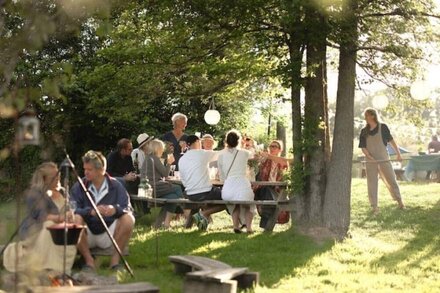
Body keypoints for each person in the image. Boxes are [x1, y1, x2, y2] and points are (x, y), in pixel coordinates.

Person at [3, 162, 77, 273]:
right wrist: (60, 218)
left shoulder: (62, 192)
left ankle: (62, 264)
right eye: (54, 177)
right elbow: (42, 216)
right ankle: (48, 266)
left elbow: (67, 210)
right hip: (36, 230)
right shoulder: (35, 194)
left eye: (59, 175)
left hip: (58, 228)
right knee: (49, 225)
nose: (58, 178)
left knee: (72, 228)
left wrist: (69, 216)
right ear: (44, 179)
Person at [71, 151, 134, 271]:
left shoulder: (116, 186)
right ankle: (89, 261)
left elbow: (128, 207)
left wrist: (114, 209)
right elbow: (72, 209)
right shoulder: (80, 186)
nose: (85, 172)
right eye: (85, 169)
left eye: (89, 169)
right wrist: (90, 212)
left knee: (128, 219)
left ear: (101, 170)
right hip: (86, 232)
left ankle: (115, 262)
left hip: (109, 231)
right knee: (75, 218)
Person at [359, 108, 405, 214]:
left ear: (373, 116)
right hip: (370, 160)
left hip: (384, 158)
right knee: (372, 183)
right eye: (365, 115)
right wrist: (369, 157)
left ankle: (400, 201)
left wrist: (398, 153)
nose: (365, 117)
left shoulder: (383, 127)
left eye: (367, 115)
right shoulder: (364, 131)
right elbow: (362, 147)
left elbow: (391, 141)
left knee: (391, 179)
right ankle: (374, 206)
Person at [178, 135, 225, 231]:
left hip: (190, 194)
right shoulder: (202, 153)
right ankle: (204, 214)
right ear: (197, 142)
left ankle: (188, 226)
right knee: (228, 198)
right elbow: (220, 154)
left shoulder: (181, 159)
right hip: (205, 191)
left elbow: (182, 179)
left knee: (197, 203)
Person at [140, 139, 184, 228]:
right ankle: (187, 211)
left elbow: (162, 175)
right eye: (161, 148)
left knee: (173, 198)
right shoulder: (154, 158)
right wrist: (169, 163)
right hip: (152, 187)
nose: (162, 150)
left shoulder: (149, 157)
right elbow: (165, 174)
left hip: (148, 188)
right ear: (157, 149)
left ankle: (160, 224)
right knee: (178, 188)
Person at [218, 130, 255, 234]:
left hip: (228, 189)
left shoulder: (221, 155)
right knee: (249, 205)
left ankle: (235, 226)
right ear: (239, 141)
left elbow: (222, 177)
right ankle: (249, 228)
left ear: (226, 141)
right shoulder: (244, 153)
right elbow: (254, 154)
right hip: (243, 185)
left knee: (235, 204)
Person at [254, 140, 290, 228]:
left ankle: (265, 221)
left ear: (280, 150)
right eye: (271, 146)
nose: (272, 148)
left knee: (268, 193)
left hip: (277, 190)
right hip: (263, 189)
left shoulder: (283, 162)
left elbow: (285, 177)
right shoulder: (264, 161)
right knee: (266, 189)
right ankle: (266, 222)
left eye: (275, 146)